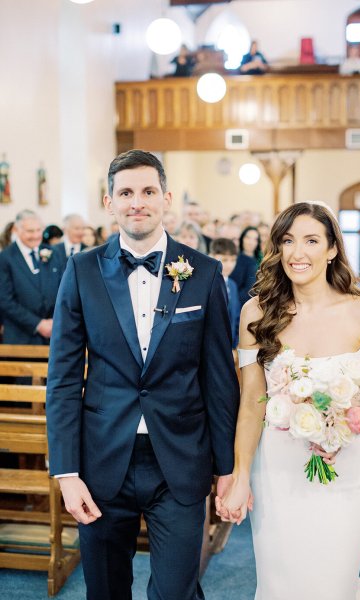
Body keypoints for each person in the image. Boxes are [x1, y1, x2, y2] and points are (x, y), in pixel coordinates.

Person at [46, 149, 240, 600]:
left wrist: (227, 467)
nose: (138, 202)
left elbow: (218, 378)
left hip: (181, 458)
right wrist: (66, 472)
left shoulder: (204, 272)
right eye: (126, 192)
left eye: (148, 191)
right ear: (108, 201)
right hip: (101, 460)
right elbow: (63, 378)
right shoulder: (81, 271)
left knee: (176, 591)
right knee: (106, 590)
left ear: (166, 197)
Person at [216, 201, 360, 599]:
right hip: (278, 465)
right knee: (280, 577)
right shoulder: (255, 313)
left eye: (312, 240)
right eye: (288, 241)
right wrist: (241, 475)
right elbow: (250, 403)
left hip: (346, 466)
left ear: (332, 248)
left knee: (333, 578)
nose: (298, 253)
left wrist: (342, 427)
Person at [0, 209, 63, 344]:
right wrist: (38, 324)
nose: (35, 236)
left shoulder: (53, 253)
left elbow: (63, 289)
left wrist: (54, 320)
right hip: (21, 335)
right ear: (16, 230)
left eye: (38, 230)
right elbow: (5, 300)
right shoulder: (5, 258)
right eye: (30, 231)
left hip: (53, 333)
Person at [210, 238, 240, 349]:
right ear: (212, 256)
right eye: (225, 259)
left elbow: (236, 317)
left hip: (229, 348)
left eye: (233, 260)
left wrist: (236, 346)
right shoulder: (206, 284)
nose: (229, 265)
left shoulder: (232, 285)